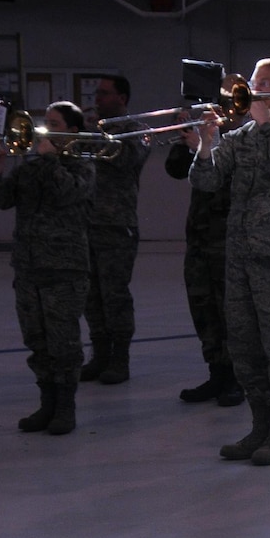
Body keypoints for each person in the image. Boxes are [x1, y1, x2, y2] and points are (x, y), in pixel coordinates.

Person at [188, 58, 270, 466]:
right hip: (239, 253)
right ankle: (258, 426)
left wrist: (264, 125)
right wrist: (207, 144)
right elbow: (206, 182)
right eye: (253, 81)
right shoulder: (241, 135)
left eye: (266, 83)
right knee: (244, 345)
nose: (255, 87)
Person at [0, 101, 97, 435]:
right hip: (29, 266)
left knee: (64, 342)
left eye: (54, 123)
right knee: (37, 339)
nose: (44, 129)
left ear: (72, 131)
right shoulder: (31, 167)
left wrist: (48, 159)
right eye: (45, 122)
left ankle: (65, 407)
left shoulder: (84, 164)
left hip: (65, 267)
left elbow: (65, 192)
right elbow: (1, 198)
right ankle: (47, 404)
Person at [165, 121, 244, 407]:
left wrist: (205, 146)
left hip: (226, 237)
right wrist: (190, 141)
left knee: (229, 311)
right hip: (198, 237)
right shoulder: (204, 130)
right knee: (203, 308)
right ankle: (217, 374)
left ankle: (237, 379)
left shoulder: (243, 135)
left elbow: (230, 177)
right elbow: (174, 170)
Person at [80, 75, 152, 386]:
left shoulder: (137, 129)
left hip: (116, 225)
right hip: (87, 222)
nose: (98, 98)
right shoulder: (93, 129)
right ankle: (100, 355)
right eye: (97, 93)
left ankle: (119, 359)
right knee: (91, 297)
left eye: (104, 94)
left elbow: (125, 158)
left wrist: (95, 134)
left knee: (114, 296)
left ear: (122, 97)